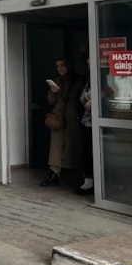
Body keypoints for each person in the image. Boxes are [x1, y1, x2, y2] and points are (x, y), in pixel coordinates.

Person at [41, 57, 83, 187]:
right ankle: (54, 173)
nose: (60, 69)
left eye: (62, 65)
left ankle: (79, 175)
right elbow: (50, 101)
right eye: (58, 66)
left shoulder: (78, 81)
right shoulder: (57, 81)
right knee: (56, 147)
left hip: (73, 118)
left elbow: (82, 99)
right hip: (58, 118)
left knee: (74, 145)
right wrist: (52, 92)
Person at [76, 64, 94, 195]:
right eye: (87, 64)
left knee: (94, 153)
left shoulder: (103, 78)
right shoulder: (89, 80)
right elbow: (82, 98)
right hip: (87, 122)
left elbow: (110, 93)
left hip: (97, 122)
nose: (89, 66)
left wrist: (94, 101)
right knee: (87, 153)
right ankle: (88, 181)